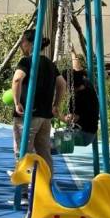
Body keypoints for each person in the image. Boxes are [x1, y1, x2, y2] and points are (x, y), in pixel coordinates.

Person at [12, 29, 66, 172]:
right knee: (44, 152)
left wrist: (17, 103)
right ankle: (47, 181)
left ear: (30, 43)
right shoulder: (50, 64)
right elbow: (62, 84)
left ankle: (24, 184)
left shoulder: (27, 61)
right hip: (45, 116)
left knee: (23, 151)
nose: (21, 45)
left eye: (22, 42)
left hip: (27, 115)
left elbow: (17, 79)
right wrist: (56, 105)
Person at [64, 48, 100, 146]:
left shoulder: (79, 99)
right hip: (90, 132)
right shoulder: (85, 83)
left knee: (54, 143)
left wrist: (57, 114)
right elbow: (77, 69)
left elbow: (71, 119)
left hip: (83, 136)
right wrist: (72, 52)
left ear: (70, 86)